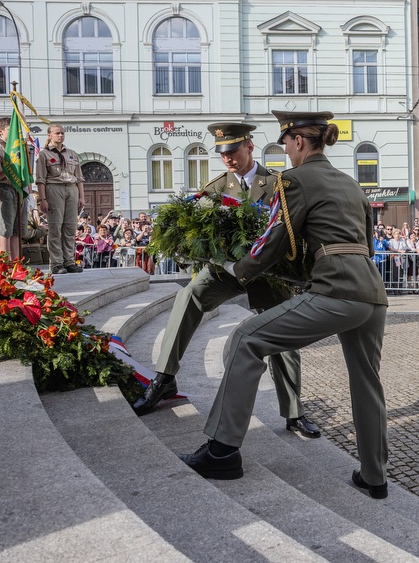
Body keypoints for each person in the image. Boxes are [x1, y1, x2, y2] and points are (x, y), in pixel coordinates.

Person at [179, 111, 389, 499]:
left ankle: (222, 452)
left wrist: (236, 268)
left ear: (299, 141)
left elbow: (274, 240)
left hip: (336, 289)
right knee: (367, 383)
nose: (286, 151)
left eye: (286, 143)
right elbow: (368, 244)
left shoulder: (293, 180)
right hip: (372, 294)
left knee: (246, 339)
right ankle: (374, 478)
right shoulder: (352, 184)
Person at [133, 123, 320, 441]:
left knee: (283, 336)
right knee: (188, 296)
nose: (228, 158)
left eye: (233, 150)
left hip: (268, 274)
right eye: (222, 153)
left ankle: (294, 412)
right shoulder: (215, 188)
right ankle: (164, 377)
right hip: (227, 271)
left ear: (249, 146)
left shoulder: (278, 184)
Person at [35, 124, 85, 274]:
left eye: (62, 133)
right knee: (55, 227)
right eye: (57, 133)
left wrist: (81, 197)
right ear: (49, 135)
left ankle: (69, 261)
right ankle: (56, 263)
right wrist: (42, 199)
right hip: (54, 188)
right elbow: (40, 179)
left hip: (71, 189)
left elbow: (79, 178)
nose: (61, 136)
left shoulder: (72, 154)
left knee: (70, 227)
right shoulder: (44, 154)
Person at [0, 116, 28, 258]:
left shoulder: (19, 150)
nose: (15, 132)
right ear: (1, 131)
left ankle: (16, 262)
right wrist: (12, 170)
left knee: (18, 229)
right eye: (10, 129)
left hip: (19, 190)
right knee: (5, 228)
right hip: (4, 189)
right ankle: (5, 262)